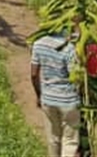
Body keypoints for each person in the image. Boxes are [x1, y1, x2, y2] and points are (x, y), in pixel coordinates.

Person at [31, 23, 81, 157]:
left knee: (53, 139)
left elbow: (34, 74)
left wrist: (39, 95)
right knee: (69, 141)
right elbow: (75, 77)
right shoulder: (68, 48)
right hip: (68, 102)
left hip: (48, 99)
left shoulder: (38, 44)